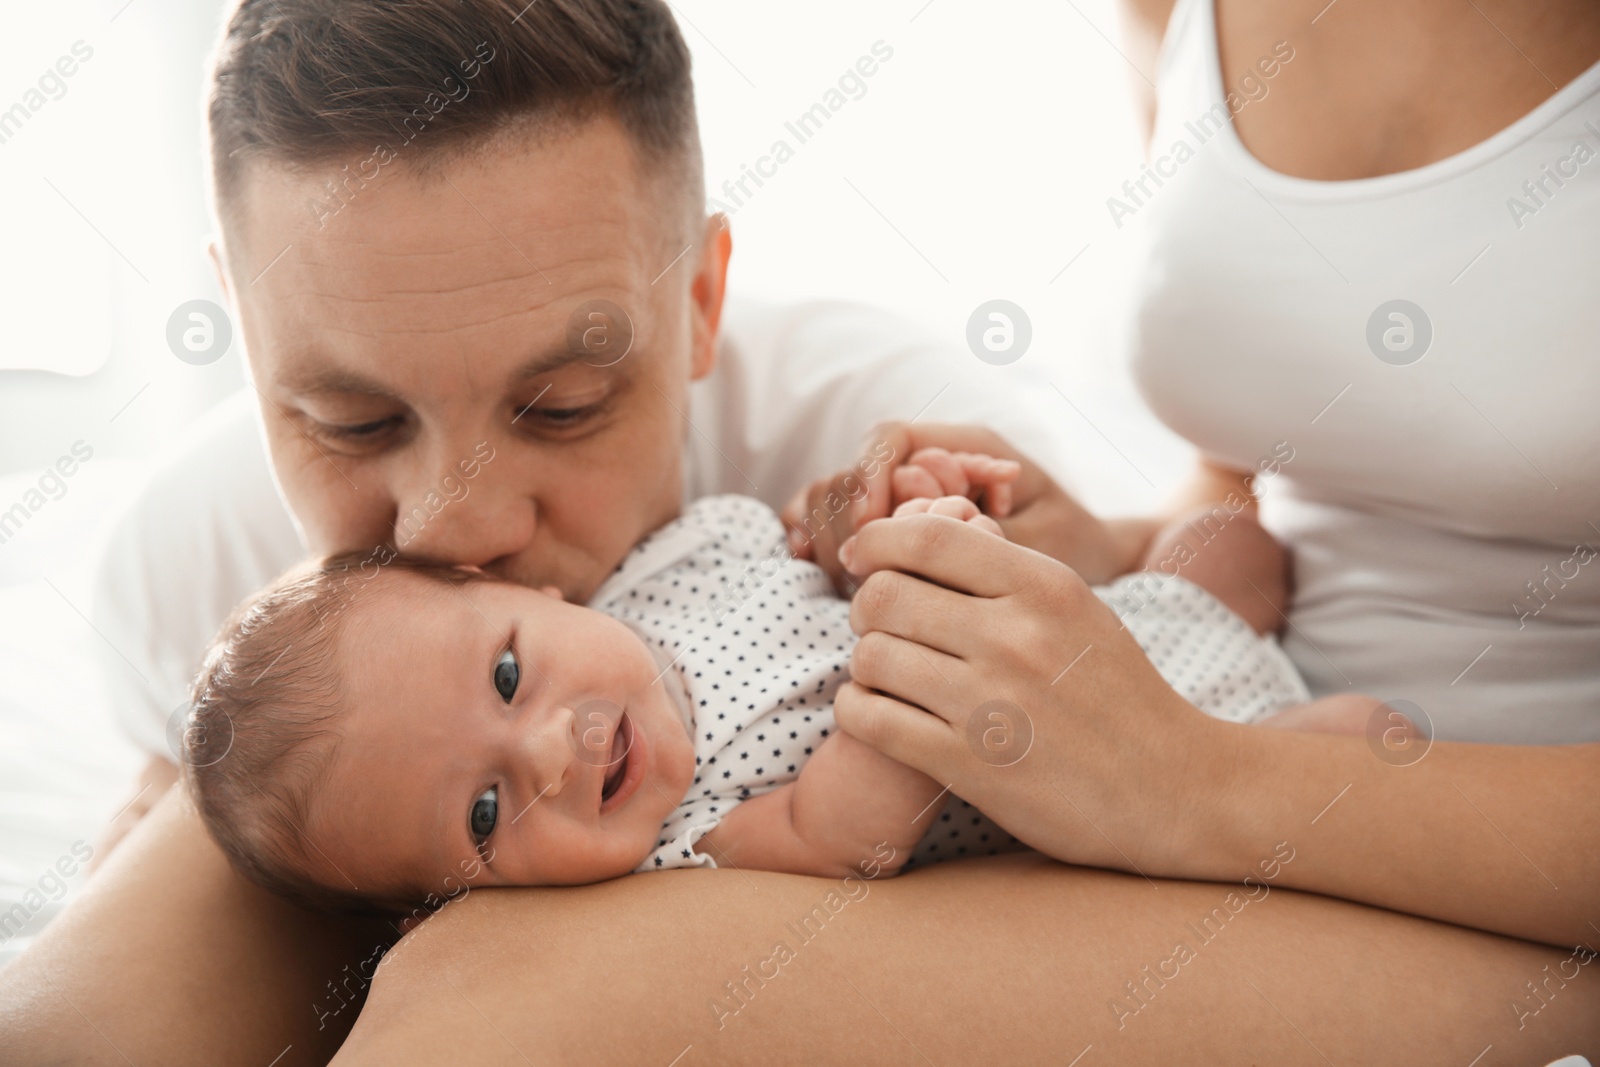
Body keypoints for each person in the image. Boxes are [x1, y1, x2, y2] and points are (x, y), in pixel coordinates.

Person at [2, 1, 1595, 1065]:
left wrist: (1209, 782)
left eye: (563, 403)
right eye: (347, 424)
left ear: (701, 298)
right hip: (1268, 681)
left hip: (1483, 853)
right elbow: (1251, 481)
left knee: (486, 1009)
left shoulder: (829, 399)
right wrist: (1087, 534)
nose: (461, 527)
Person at [180, 479, 1350, 916]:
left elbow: (810, 546)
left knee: (1228, 543)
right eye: (484, 814)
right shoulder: (688, 850)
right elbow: (848, 831)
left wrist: (871, 524)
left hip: (1118, 627)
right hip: (1164, 769)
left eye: (505, 673)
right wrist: (924, 610)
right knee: (1359, 747)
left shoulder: (668, 565)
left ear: (526, 586)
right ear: (451, 899)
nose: (548, 749)